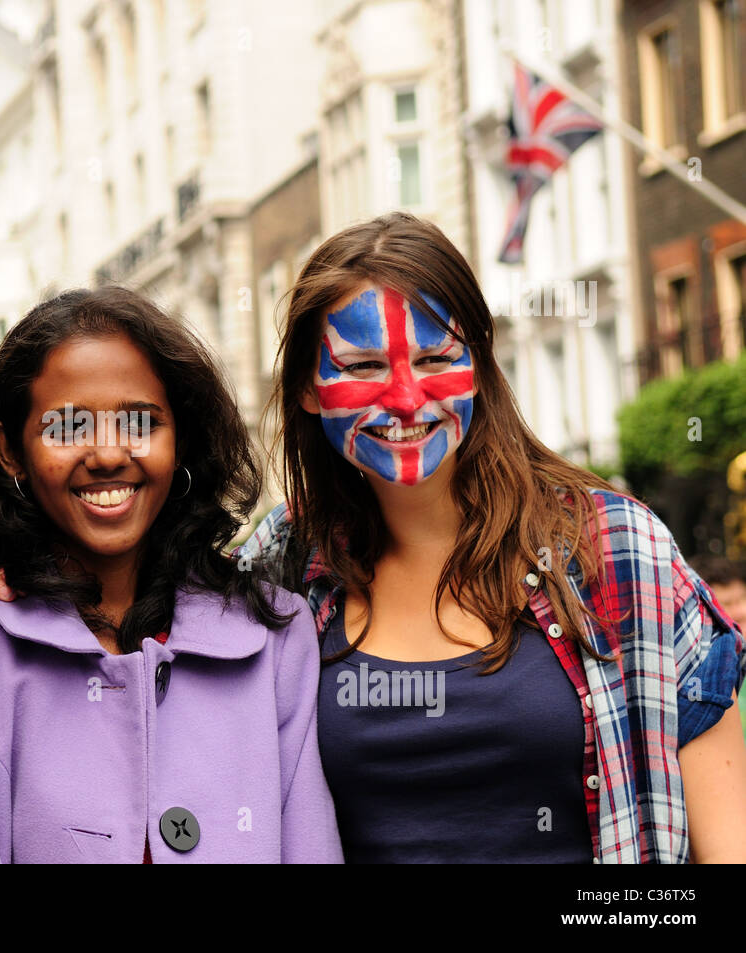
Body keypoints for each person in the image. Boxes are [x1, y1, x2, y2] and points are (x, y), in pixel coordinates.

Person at [239, 211, 746, 863]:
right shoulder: (276, 568)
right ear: (309, 388)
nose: (403, 398)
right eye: (364, 365)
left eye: (434, 358)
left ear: (478, 362)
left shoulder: (618, 549)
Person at [0, 287, 342, 863]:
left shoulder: (277, 638)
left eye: (142, 422)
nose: (108, 454)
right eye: (68, 427)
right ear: (10, 451)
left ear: (181, 438)